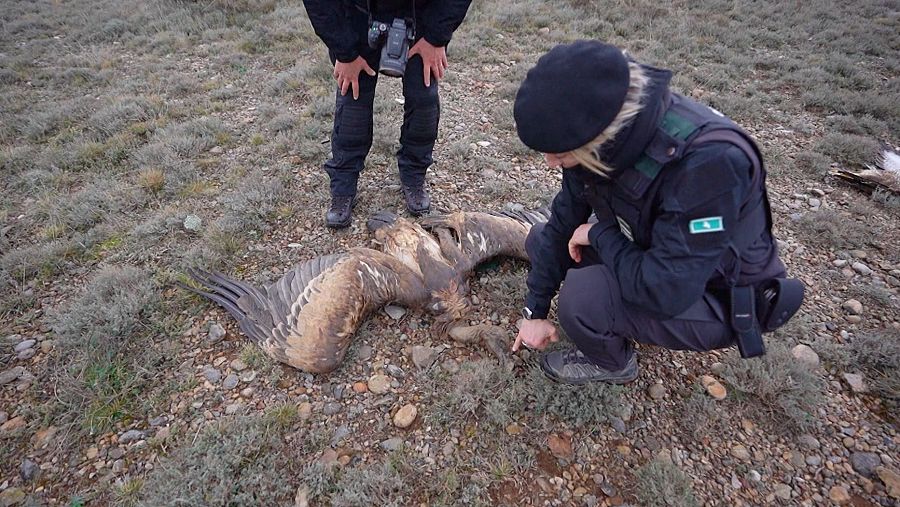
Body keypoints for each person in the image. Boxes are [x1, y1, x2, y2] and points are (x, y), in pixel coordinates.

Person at [510, 40, 799, 385]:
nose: (551, 162)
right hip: (662, 259)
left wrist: (600, 235)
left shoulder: (711, 164)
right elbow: (562, 223)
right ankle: (616, 319)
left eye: (560, 153)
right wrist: (534, 311)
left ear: (603, 136)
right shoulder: (600, 139)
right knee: (542, 238)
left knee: (585, 298)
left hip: (718, 295)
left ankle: (612, 363)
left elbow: (665, 291)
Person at [302, 0, 472, 228]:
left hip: (421, 16)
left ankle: (414, 175)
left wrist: (436, 37)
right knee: (353, 104)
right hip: (356, 17)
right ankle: (343, 186)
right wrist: (345, 52)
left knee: (424, 101)